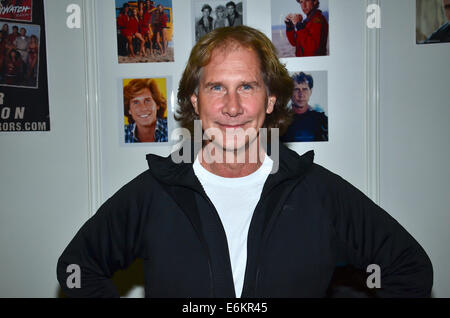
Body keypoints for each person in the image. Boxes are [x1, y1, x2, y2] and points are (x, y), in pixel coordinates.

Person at [57, 26, 433, 298]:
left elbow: (410, 268)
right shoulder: (156, 192)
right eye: (216, 87)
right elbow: (76, 269)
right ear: (195, 101)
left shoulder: (317, 191)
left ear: (269, 101)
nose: (232, 107)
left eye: (247, 87)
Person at [281, 72, 328, 142]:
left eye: (305, 89)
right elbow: (273, 150)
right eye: (296, 89)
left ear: (311, 91)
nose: (301, 94)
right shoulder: (279, 121)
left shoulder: (321, 120)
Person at [123, 78, 168, 143]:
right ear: (129, 110)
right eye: (136, 102)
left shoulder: (172, 129)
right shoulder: (122, 133)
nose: (143, 108)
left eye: (147, 100)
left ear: (157, 104)